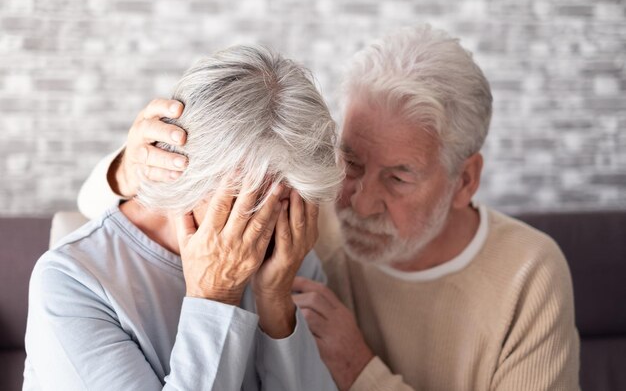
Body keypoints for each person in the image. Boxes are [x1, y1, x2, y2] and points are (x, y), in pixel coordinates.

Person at [77, 25, 580, 390]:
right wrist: (133, 168)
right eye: (352, 163)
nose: (357, 201)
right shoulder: (305, 223)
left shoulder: (528, 273)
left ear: (464, 179)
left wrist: (363, 373)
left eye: (399, 178)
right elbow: (104, 225)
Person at [24, 45, 344, 390]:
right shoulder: (71, 283)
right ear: (190, 175)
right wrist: (215, 297)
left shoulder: (289, 257)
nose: (272, 225)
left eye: (290, 199)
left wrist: (277, 304)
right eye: (254, 203)